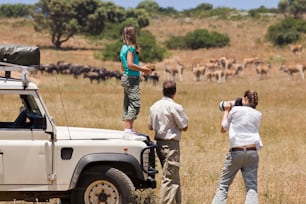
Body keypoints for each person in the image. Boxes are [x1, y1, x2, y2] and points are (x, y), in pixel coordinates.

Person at [212, 90, 263, 204]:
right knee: (251, 188)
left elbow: (223, 128)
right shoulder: (258, 115)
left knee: (223, 186)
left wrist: (226, 111)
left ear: (245, 99)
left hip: (237, 150)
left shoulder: (234, 110)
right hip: (252, 151)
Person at [148, 80, 189, 204]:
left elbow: (150, 126)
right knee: (169, 178)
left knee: (172, 175)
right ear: (174, 92)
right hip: (171, 144)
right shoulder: (175, 107)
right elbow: (184, 127)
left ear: (163, 91)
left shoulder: (154, 106)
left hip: (158, 143)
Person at [120, 26, 151, 136]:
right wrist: (143, 69)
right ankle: (128, 129)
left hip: (126, 77)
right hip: (132, 79)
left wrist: (139, 70)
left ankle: (128, 128)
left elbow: (124, 67)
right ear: (132, 35)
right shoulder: (131, 48)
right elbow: (130, 64)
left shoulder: (123, 47)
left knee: (127, 102)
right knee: (135, 104)